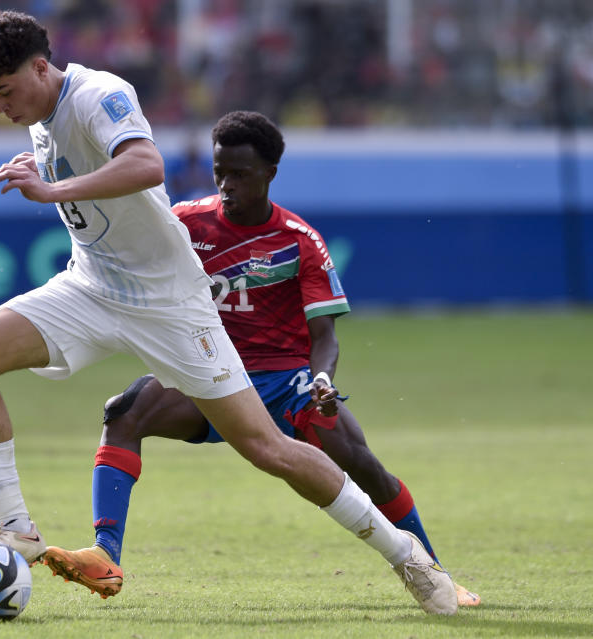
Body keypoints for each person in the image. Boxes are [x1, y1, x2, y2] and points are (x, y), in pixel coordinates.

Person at [0, 11, 457, 616]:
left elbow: (146, 165)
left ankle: (407, 557)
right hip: (92, 286)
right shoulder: (41, 120)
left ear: (38, 67)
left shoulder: (99, 94)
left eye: (4, 91)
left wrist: (52, 189)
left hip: (169, 303)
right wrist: (46, 174)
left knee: (267, 448)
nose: (0, 107)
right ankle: (15, 530)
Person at [42, 110, 480, 608]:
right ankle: (106, 554)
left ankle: (436, 573)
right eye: (219, 172)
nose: (227, 185)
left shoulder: (299, 241)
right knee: (124, 413)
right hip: (208, 369)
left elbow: (324, 335)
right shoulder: (184, 225)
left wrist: (321, 378)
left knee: (365, 467)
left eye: (240, 174)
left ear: (270, 174)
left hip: (284, 383)